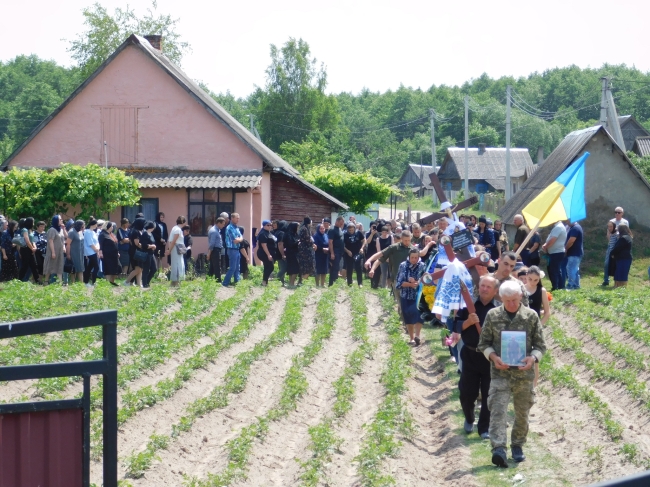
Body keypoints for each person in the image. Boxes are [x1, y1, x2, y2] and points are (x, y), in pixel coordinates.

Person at [478, 280, 546, 467]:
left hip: (524, 375)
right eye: (507, 300)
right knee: (498, 411)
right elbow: (483, 343)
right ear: (501, 298)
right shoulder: (493, 315)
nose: (511, 304)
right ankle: (498, 448)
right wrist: (493, 357)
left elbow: (541, 345)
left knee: (522, 412)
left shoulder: (531, 316)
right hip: (500, 374)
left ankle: (517, 445)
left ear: (521, 297)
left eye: (515, 300)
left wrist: (533, 358)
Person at [454, 275, 498, 439]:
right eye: (482, 286)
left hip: (490, 358)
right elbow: (456, 326)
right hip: (470, 355)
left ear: (495, 291)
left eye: (488, 287)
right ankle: (469, 417)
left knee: (488, 395)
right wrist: (468, 322)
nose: (484, 289)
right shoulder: (468, 305)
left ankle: (484, 428)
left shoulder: (499, 310)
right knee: (467, 392)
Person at [396, 248, 426, 344]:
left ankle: (417, 336)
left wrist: (418, 282)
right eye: (412, 257)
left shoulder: (423, 265)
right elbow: (399, 283)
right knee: (408, 316)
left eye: (416, 257)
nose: (414, 259)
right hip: (406, 295)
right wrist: (409, 284)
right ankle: (411, 338)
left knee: (419, 315)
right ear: (409, 257)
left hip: (418, 296)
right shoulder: (403, 265)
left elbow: (426, 279)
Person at [541, 221, 566, 291]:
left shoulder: (558, 227)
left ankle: (556, 287)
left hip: (556, 252)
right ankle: (560, 286)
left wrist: (546, 246)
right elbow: (551, 239)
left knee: (553, 270)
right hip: (556, 252)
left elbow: (552, 240)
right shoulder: (558, 227)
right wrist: (546, 245)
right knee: (556, 270)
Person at [42, 215, 66, 285]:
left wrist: (64, 247)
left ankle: (60, 282)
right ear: (56, 221)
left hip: (60, 252)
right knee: (50, 265)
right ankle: (46, 281)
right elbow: (50, 241)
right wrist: (53, 252)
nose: (62, 220)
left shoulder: (61, 229)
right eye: (60, 219)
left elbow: (63, 239)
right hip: (53, 251)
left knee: (59, 266)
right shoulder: (52, 230)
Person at [343, 221, 366, 287]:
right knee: (349, 268)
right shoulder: (345, 234)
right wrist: (347, 251)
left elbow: (364, 240)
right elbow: (342, 245)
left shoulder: (358, 233)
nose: (351, 231)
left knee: (359, 268)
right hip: (348, 254)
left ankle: (360, 283)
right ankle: (349, 283)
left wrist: (362, 248)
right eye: (349, 230)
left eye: (352, 230)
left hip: (357, 253)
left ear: (354, 228)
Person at [18, 217, 40, 283]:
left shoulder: (30, 230)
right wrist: (32, 248)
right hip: (25, 249)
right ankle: (19, 279)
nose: (33, 224)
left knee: (34, 265)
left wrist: (34, 247)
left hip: (30, 249)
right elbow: (27, 241)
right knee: (25, 265)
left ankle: (37, 280)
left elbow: (32, 241)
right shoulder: (24, 230)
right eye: (33, 222)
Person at [124, 218, 145, 287]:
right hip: (135, 252)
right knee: (138, 268)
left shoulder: (134, 230)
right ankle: (127, 281)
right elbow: (137, 243)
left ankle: (139, 284)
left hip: (135, 251)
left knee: (140, 269)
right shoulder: (135, 232)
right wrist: (145, 246)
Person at [168, 216, 187, 287]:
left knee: (176, 264)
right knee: (178, 264)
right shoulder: (178, 230)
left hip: (176, 248)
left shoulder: (175, 228)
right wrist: (169, 250)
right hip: (176, 248)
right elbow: (173, 241)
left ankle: (174, 282)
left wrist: (169, 249)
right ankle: (176, 282)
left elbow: (170, 241)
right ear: (183, 222)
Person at [564, 220, 583, 290]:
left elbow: (571, 240)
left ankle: (571, 285)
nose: (566, 222)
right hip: (576, 253)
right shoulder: (576, 227)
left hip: (574, 253)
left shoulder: (575, 228)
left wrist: (565, 248)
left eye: (568, 221)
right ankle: (576, 285)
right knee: (575, 270)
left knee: (570, 269)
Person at [257, 220, 276, 286]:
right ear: (264, 226)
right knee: (271, 267)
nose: (270, 226)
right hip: (264, 253)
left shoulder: (269, 233)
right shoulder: (263, 234)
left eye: (270, 225)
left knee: (267, 266)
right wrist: (268, 255)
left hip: (269, 252)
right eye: (268, 225)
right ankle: (264, 281)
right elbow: (264, 245)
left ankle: (265, 282)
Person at [139, 221, 158, 289]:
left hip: (151, 253)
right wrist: (151, 246)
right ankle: (144, 284)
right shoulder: (145, 234)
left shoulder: (151, 234)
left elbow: (153, 242)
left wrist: (153, 246)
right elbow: (143, 245)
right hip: (146, 253)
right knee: (146, 269)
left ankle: (147, 281)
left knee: (154, 269)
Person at [83, 218, 101, 287]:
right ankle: (93, 282)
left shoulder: (93, 232)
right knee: (96, 267)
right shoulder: (87, 232)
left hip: (94, 251)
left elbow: (97, 242)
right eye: (96, 224)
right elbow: (90, 243)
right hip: (90, 252)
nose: (97, 226)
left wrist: (98, 249)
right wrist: (96, 249)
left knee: (90, 267)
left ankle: (86, 281)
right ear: (93, 224)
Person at [328, 216, 346, 286]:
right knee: (334, 268)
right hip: (335, 251)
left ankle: (334, 281)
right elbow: (330, 242)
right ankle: (332, 283)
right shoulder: (332, 229)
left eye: (342, 224)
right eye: (340, 223)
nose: (341, 225)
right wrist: (332, 253)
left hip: (340, 251)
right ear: (337, 221)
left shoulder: (339, 229)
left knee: (337, 267)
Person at [207, 217, 225, 281]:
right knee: (217, 266)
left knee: (212, 267)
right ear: (219, 223)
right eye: (222, 224)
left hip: (216, 250)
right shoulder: (214, 231)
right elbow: (212, 244)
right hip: (215, 250)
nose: (223, 226)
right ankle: (218, 281)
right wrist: (209, 253)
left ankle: (208, 280)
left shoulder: (217, 230)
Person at [283, 222, 301, 288]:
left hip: (294, 253)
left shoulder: (294, 234)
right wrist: (298, 241)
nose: (298, 228)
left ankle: (291, 283)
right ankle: (292, 283)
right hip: (291, 253)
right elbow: (291, 244)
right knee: (294, 269)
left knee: (292, 269)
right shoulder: (289, 234)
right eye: (297, 227)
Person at [602, 221, 618, 286]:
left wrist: (614, 253)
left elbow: (617, 244)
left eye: (611, 226)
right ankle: (606, 281)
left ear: (614, 226)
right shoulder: (610, 233)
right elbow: (609, 241)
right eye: (608, 226)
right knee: (606, 264)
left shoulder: (617, 234)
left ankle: (616, 281)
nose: (609, 228)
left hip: (614, 251)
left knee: (615, 266)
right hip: (609, 249)